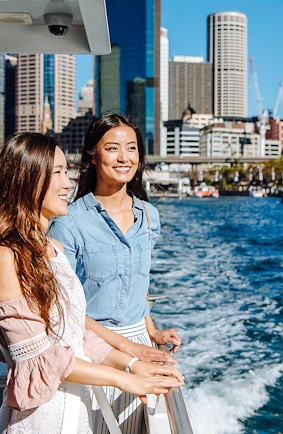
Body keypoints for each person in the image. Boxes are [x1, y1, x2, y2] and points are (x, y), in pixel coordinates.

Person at [0, 132, 183, 433]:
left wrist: (134, 364)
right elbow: (39, 359)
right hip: (39, 421)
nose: (67, 184)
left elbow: (75, 334)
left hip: (74, 416)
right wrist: (125, 379)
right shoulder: (4, 257)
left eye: (65, 173)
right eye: (56, 173)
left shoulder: (52, 250)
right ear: (26, 179)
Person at [49, 113, 182, 430]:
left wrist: (151, 331)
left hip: (139, 344)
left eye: (132, 148)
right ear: (93, 156)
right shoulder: (69, 221)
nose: (124, 157)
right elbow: (63, 304)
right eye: (112, 148)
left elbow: (135, 282)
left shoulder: (149, 216)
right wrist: (129, 348)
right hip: (92, 348)